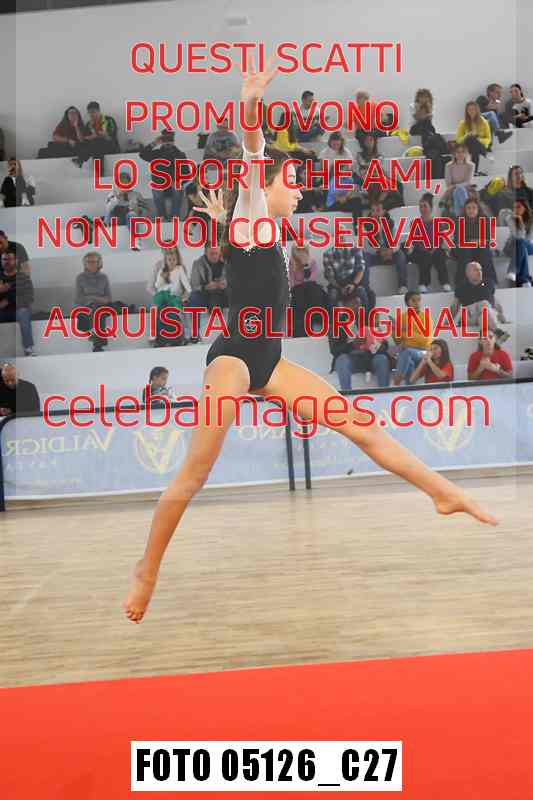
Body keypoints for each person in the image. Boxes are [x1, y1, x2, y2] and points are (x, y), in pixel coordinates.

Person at [123, 54, 497, 625]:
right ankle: (147, 569)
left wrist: (222, 217)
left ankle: (443, 492)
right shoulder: (254, 216)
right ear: (264, 186)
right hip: (234, 361)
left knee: (361, 426)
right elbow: (253, 154)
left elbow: (243, 239)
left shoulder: (261, 230)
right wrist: (251, 104)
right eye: (291, 183)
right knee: (194, 475)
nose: (299, 192)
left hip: (270, 363)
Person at [329, 290, 391, 390]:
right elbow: (335, 350)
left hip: (369, 357)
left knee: (382, 359)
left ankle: (385, 393)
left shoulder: (369, 319)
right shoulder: (337, 324)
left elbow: (384, 343)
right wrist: (353, 345)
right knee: (341, 359)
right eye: (354, 303)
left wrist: (377, 346)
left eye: (359, 303)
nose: (358, 306)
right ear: (345, 306)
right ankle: (347, 394)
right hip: (350, 358)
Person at [451, 261, 509, 342]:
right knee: (484, 304)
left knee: (483, 315)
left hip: (486, 315)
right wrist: (447, 323)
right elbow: (455, 306)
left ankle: (484, 340)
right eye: (476, 270)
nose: (479, 272)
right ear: (468, 273)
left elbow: (495, 302)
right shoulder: (461, 286)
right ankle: (497, 332)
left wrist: (503, 319)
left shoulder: (488, 283)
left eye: (480, 269)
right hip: (470, 316)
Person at [139, 131, 188, 221]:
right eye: (165, 140)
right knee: (157, 187)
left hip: (174, 187)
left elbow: (187, 173)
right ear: (162, 141)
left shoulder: (180, 155)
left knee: (178, 187)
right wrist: (154, 143)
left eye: (170, 140)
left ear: (173, 141)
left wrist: (178, 181)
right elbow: (142, 154)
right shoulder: (156, 154)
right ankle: (162, 216)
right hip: (160, 186)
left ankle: (175, 216)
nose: (168, 142)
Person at [408, 193, 452, 292]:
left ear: (431, 208)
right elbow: (415, 241)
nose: (422, 209)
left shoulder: (439, 223)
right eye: (421, 206)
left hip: (435, 249)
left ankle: (445, 283)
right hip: (419, 251)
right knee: (425, 255)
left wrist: (434, 248)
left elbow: (440, 240)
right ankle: (423, 283)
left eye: (425, 206)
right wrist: (425, 248)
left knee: (439, 254)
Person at [363, 200, 408, 294]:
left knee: (400, 255)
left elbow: (397, 243)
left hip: (390, 254)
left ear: (383, 211)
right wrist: (379, 251)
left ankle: (402, 286)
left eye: (378, 210)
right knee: (364, 257)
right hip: (376, 255)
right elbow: (366, 247)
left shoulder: (391, 223)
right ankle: (365, 287)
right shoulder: (366, 225)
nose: (375, 213)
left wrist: (390, 251)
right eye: (373, 211)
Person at [151, 246, 192, 346]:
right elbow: (156, 286)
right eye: (169, 259)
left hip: (176, 296)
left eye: (174, 259)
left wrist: (184, 297)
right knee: (156, 309)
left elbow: (187, 287)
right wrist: (162, 278)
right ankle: (156, 337)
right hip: (163, 296)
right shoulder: (161, 269)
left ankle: (185, 335)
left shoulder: (180, 269)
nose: (172, 261)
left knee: (179, 311)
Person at [74, 252, 114, 352]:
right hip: (87, 306)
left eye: (94, 261)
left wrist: (92, 297)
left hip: (102, 306)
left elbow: (108, 298)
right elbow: (78, 299)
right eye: (88, 262)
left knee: (98, 311)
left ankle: (96, 342)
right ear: (85, 263)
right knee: (94, 311)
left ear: (99, 263)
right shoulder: (80, 278)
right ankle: (99, 343)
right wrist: (93, 299)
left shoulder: (104, 277)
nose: (91, 264)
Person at [392, 291, 434, 385]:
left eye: (419, 300)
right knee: (409, 362)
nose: (417, 303)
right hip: (407, 352)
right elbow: (398, 342)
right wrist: (394, 332)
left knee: (407, 352)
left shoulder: (426, 318)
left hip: (424, 352)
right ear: (407, 303)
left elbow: (425, 341)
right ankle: (409, 388)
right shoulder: (401, 317)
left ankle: (396, 382)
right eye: (413, 301)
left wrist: (406, 332)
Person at [454, 198, 498, 286]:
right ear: (465, 210)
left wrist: (477, 241)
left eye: (474, 208)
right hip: (464, 247)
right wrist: (473, 242)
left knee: (485, 252)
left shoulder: (485, 219)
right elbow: (458, 240)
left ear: (478, 209)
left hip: (480, 247)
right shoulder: (459, 220)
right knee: (465, 251)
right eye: (468, 208)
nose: (471, 210)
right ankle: (462, 282)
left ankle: (490, 281)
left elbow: (489, 239)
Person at [323, 243, 375, 315]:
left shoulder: (356, 249)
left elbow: (361, 270)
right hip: (337, 285)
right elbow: (330, 277)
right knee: (332, 294)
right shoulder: (327, 254)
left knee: (363, 291)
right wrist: (340, 287)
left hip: (354, 283)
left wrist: (353, 284)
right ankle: (334, 319)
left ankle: (365, 318)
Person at [0, 251, 35, 356]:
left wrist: (9, 300)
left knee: (23, 313)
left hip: (18, 310)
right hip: (2, 312)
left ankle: (28, 348)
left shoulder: (23, 277)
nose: (7, 262)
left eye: (10, 259)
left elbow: (29, 298)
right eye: (4, 259)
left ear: (16, 261)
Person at [73, 101, 119, 167]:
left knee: (97, 142)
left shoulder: (109, 120)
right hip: (96, 148)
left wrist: (98, 135)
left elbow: (111, 137)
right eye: (89, 112)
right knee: (95, 148)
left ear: (99, 111)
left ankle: (81, 159)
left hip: (111, 146)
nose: (91, 114)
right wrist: (76, 126)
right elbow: (83, 140)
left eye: (93, 112)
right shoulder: (89, 124)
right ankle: (98, 172)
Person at [455, 101, 492, 176]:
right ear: (467, 111)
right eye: (469, 110)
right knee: (471, 138)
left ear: (477, 110)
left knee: (474, 142)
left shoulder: (484, 122)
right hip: (468, 146)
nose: (471, 111)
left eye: (473, 109)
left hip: (480, 146)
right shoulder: (463, 123)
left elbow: (488, 139)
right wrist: (466, 135)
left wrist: (478, 139)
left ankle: (474, 171)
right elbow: (458, 140)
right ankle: (484, 156)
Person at [189, 244, 228, 312]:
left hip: (222, 292)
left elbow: (234, 281)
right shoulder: (197, 264)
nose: (214, 256)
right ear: (205, 253)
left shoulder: (226, 262)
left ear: (220, 252)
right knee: (194, 297)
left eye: (216, 253)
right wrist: (205, 287)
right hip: (205, 293)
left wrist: (225, 284)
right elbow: (194, 286)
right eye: (211, 254)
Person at [441, 143, 475, 217]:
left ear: (466, 153)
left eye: (463, 152)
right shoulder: (448, 165)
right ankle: (466, 213)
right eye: (458, 152)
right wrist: (456, 187)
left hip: (467, 190)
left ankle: (459, 216)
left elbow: (468, 182)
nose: (460, 154)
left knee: (459, 190)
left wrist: (456, 186)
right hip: (451, 191)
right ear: (454, 154)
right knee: (458, 191)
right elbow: (448, 184)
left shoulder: (471, 165)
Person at [506, 199, 533, 287]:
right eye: (514, 207)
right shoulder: (510, 218)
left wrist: (520, 221)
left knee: (522, 244)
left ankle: (512, 271)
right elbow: (516, 236)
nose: (516, 209)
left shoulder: (531, 219)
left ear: (525, 208)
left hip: (527, 244)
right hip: (511, 246)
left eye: (518, 207)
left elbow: (529, 238)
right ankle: (525, 280)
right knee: (521, 246)